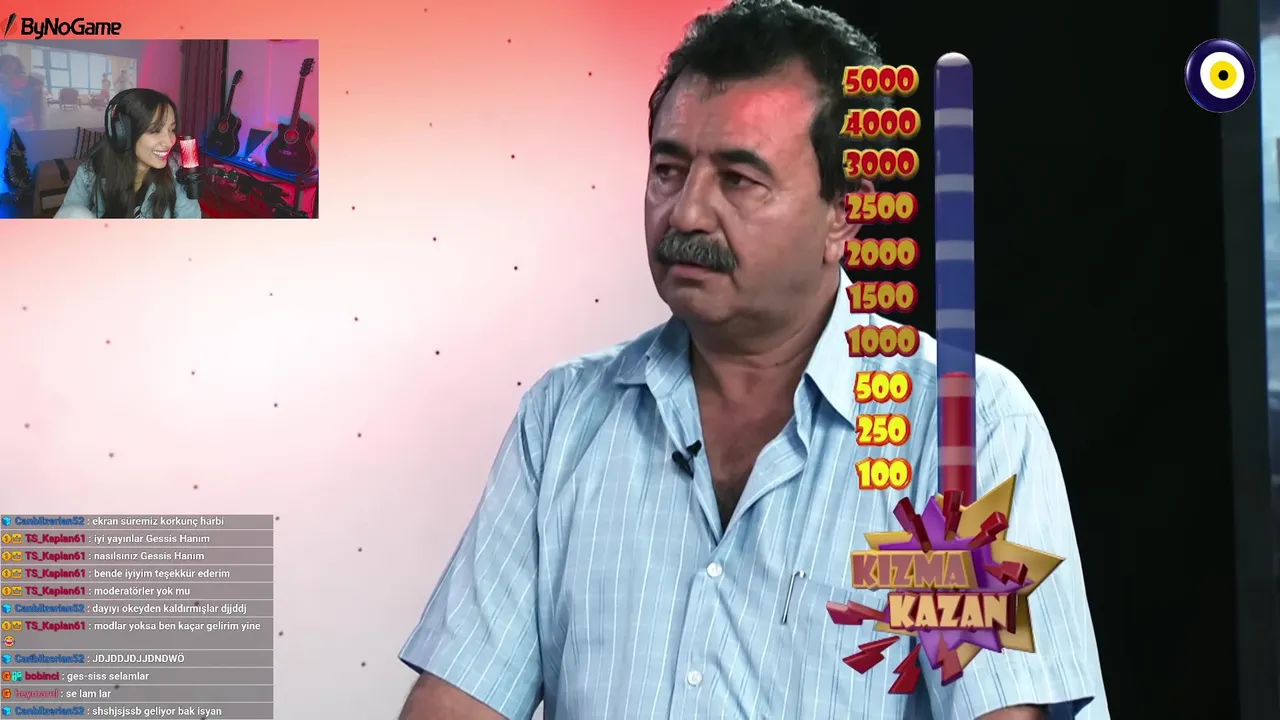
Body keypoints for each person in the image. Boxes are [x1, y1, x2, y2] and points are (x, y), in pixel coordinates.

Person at [397, 1, 1108, 718]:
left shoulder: (959, 426)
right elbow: (456, 702)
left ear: (846, 212)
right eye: (669, 169)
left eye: (738, 179)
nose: (686, 213)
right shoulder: (565, 418)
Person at [55, 88, 201, 219]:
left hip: (156, 241)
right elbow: (67, 218)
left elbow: (190, 223)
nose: (169, 142)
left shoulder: (176, 172)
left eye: (171, 129)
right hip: (107, 240)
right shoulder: (90, 171)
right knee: (74, 213)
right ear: (123, 134)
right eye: (155, 131)